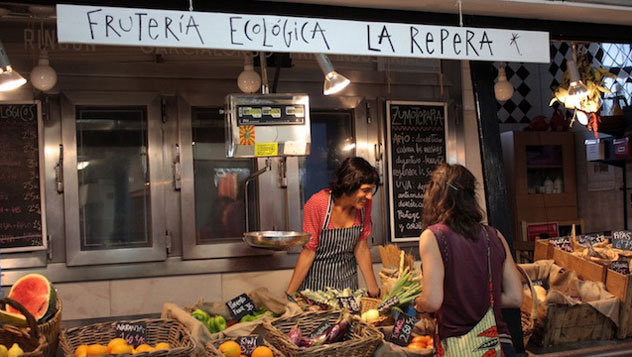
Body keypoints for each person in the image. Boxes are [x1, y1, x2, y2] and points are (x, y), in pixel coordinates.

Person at [413, 163, 523, 356]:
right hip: (499, 346)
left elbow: (432, 301)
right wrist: (481, 299)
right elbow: (515, 297)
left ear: (436, 197)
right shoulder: (494, 236)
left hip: (461, 346)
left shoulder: (433, 236)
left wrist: (418, 303)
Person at [286, 157, 380, 297]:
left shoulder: (363, 206)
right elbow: (308, 252)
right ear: (349, 184)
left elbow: (361, 247)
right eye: (365, 190)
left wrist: (374, 292)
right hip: (316, 290)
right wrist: (289, 294)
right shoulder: (318, 204)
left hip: (348, 290)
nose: (369, 197)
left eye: (371, 190)